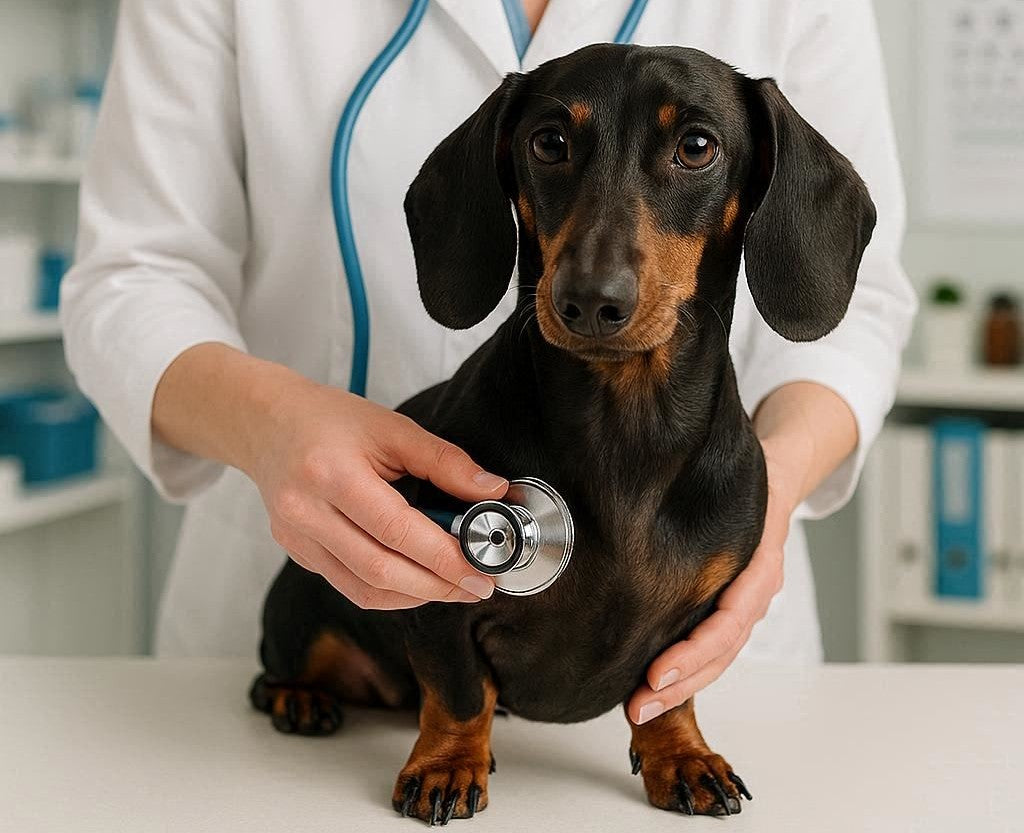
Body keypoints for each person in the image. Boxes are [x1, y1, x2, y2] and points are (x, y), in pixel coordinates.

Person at [61, 0, 915, 726]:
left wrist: (752, 505)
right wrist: (271, 423)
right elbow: (133, 276)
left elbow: (853, 298)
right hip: (333, 641)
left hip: (684, 652)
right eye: (551, 148)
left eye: (693, 150)